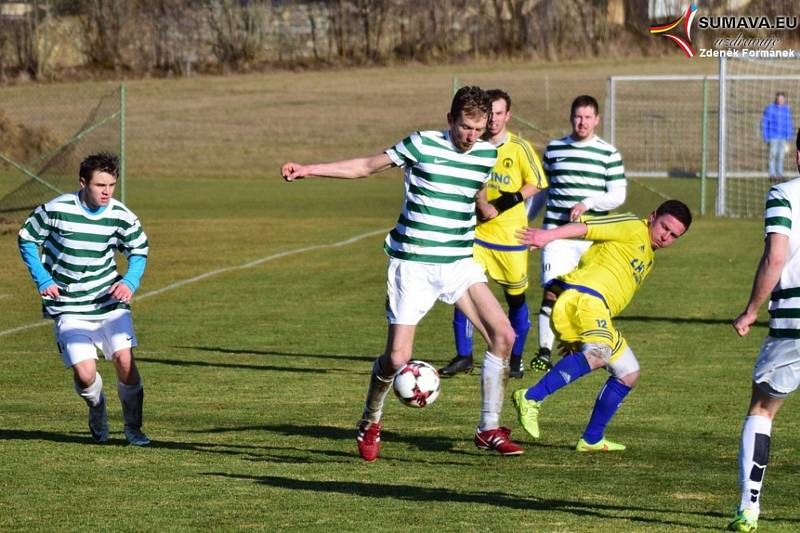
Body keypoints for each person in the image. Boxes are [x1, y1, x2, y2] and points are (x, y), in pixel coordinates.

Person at [281, 86, 524, 462]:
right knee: (396, 359)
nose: (471, 137)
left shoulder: (487, 154)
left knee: (504, 335)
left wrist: (484, 208)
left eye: (478, 129)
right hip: (413, 263)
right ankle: (370, 421)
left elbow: (473, 189)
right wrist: (309, 169)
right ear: (450, 120)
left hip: (458, 262)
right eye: (464, 128)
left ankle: (488, 428)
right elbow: (366, 166)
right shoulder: (421, 144)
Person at [511, 200, 692, 452]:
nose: (666, 236)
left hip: (598, 310)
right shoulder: (631, 225)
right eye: (664, 227)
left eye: (674, 235)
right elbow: (587, 227)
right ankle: (531, 397)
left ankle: (592, 439)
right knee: (599, 354)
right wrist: (548, 236)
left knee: (629, 372)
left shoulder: (648, 256)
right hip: (585, 298)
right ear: (652, 216)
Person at [17, 152, 150, 446]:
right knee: (85, 374)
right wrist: (43, 278)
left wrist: (129, 281)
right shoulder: (56, 210)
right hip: (69, 306)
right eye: (100, 185)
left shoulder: (120, 215)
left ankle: (134, 429)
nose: (106, 192)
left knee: (126, 364)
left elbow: (139, 250)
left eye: (112, 185)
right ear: (82, 183)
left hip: (108, 304)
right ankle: (97, 408)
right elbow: (27, 238)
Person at [439, 89, 547, 380]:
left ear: (508, 116)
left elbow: (537, 182)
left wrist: (498, 206)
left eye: (500, 113)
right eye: (491, 115)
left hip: (511, 239)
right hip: (476, 235)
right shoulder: (473, 145)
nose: (495, 120)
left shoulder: (519, 148)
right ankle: (464, 355)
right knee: (462, 292)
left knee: (515, 300)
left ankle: (515, 358)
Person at [727, 129, 800, 532]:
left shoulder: (784, 194)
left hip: (793, 319)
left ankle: (748, 508)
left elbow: (776, 257)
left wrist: (751, 310)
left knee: (763, 408)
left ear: (797, 153)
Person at [530, 95, 627, 372]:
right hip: (556, 236)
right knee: (552, 292)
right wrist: (528, 223)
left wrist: (588, 203)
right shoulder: (554, 150)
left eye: (587, 117)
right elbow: (542, 192)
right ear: (571, 117)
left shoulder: (608, 153)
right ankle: (544, 352)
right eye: (577, 116)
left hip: (591, 239)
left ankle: (589, 349)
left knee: (586, 297)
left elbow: (618, 195)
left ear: (596, 119)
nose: (582, 122)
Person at [760, 91, 794, 182]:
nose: (780, 100)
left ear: (784, 100)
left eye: (782, 99)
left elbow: (789, 123)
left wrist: (789, 136)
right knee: (772, 155)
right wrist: (766, 136)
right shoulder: (770, 108)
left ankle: (779, 174)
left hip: (783, 137)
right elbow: (765, 122)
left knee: (781, 156)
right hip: (773, 136)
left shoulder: (786, 109)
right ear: (776, 99)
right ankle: (772, 175)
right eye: (779, 99)